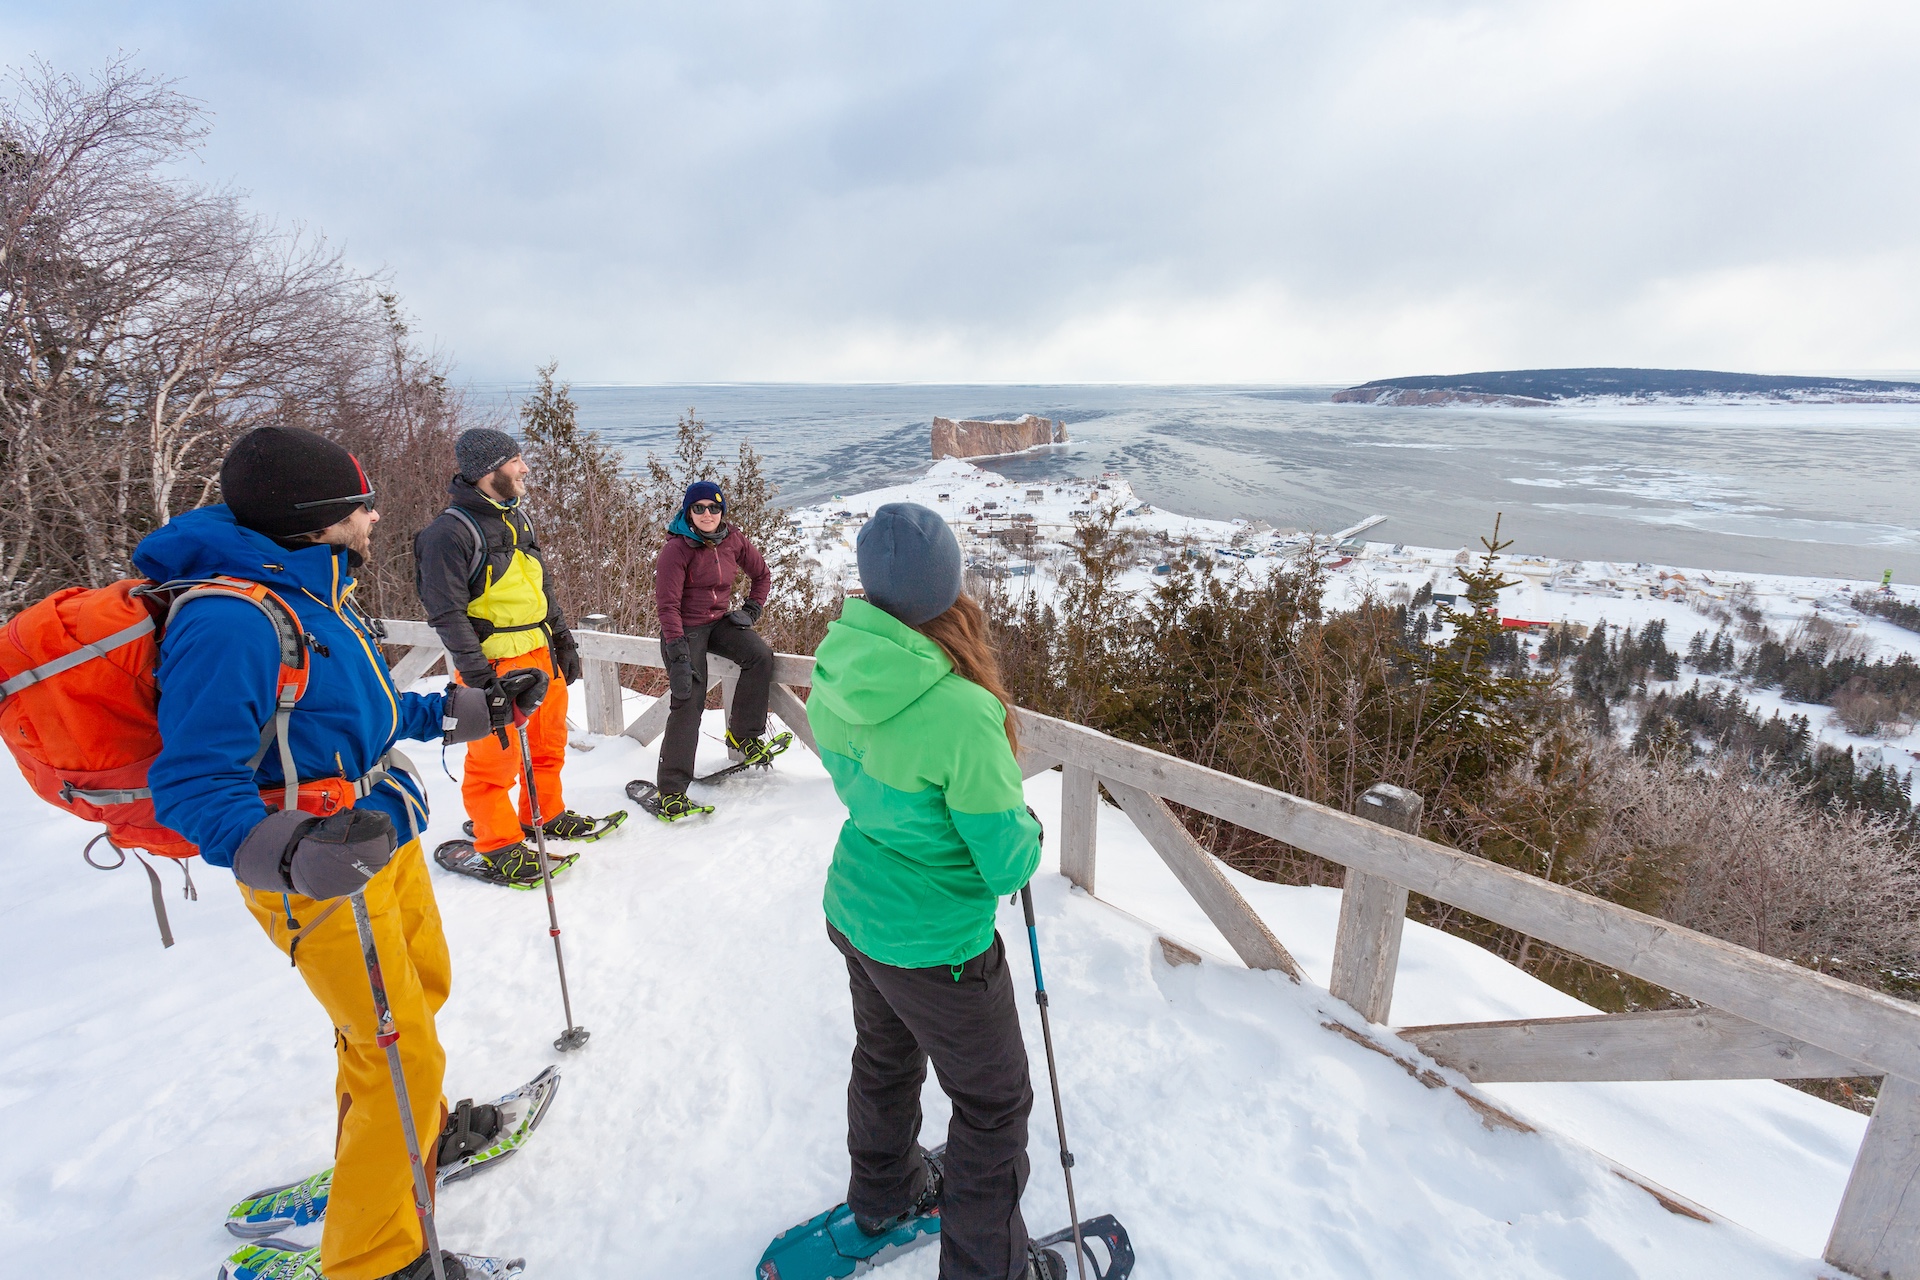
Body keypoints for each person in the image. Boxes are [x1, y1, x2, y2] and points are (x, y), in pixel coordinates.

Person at [140, 425, 543, 1280]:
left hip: (380, 835)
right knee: (398, 1048)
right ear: (316, 516)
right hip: (321, 869)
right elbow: (191, 783)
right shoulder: (230, 620)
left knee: (416, 1002)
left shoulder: (315, 589)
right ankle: (375, 1260)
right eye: (361, 504)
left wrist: (469, 710)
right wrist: (292, 856)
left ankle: (408, 1141)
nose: (375, 515)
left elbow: (361, 711)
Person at [805, 502, 1067, 1280]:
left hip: (858, 908)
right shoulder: (962, 710)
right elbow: (1006, 865)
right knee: (994, 1108)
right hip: (937, 944)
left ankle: (885, 1191)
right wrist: (1029, 831)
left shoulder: (836, 664)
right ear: (949, 587)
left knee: (885, 1058)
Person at [415, 427, 595, 887]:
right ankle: (497, 843)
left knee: (548, 744)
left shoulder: (518, 518)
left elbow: (542, 586)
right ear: (487, 471)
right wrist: (479, 681)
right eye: (515, 461)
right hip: (494, 665)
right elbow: (447, 614)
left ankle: (544, 814)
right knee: (495, 761)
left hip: (541, 653)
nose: (524, 468)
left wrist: (563, 640)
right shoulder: (447, 534)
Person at [646, 479, 783, 820]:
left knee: (759, 657)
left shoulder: (733, 539)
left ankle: (743, 736)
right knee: (688, 701)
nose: (707, 514)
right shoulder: (676, 550)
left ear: (722, 511)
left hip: (719, 621)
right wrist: (678, 653)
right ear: (688, 512)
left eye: (714, 507)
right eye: (699, 508)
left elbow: (762, 575)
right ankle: (671, 792)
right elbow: (667, 606)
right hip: (683, 629)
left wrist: (752, 609)